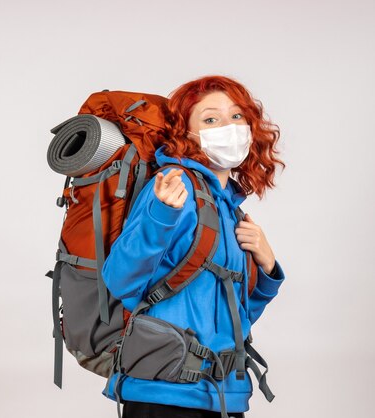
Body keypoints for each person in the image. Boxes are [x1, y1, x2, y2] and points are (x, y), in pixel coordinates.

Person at [101, 75, 286, 418]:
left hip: (223, 396)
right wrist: (159, 216)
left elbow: (237, 317)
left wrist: (268, 269)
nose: (229, 127)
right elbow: (119, 279)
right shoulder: (174, 187)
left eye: (237, 116)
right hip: (165, 396)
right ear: (186, 134)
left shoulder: (230, 211)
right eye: (210, 119)